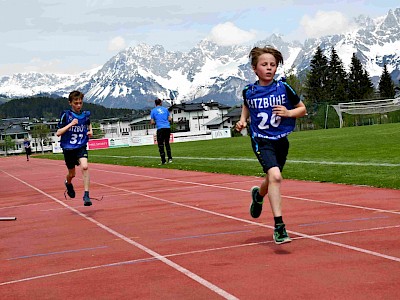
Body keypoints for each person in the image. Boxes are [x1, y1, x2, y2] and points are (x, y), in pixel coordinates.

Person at [236, 46, 307, 244]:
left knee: (272, 178)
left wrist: (288, 113)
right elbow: (246, 105)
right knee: (275, 176)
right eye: (264, 64)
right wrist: (242, 121)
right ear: (254, 68)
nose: (269, 68)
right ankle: (279, 226)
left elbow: (302, 109)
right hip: (261, 139)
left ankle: (258, 195)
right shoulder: (249, 91)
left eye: (273, 65)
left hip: (281, 140)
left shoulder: (284, 88)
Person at [56, 90, 93, 206]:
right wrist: (70, 124)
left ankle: (86, 195)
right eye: (76, 103)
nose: (78, 105)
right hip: (68, 148)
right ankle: (68, 183)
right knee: (72, 174)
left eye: (80, 103)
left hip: (81, 146)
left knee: (85, 167)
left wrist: (90, 131)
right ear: (70, 103)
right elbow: (58, 132)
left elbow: (88, 123)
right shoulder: (66, 115)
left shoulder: (85, 115)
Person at [150, 98, 173, 165]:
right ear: (160, 103)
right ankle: (170, 158)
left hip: (160, 128)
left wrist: (155, 122)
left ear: (155, 103)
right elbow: (170, 119)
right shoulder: (165, 109)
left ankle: (163, 160)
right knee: (167, 143)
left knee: (160, 145)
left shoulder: (153, 111)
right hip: (167, 128)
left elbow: (152, 122)